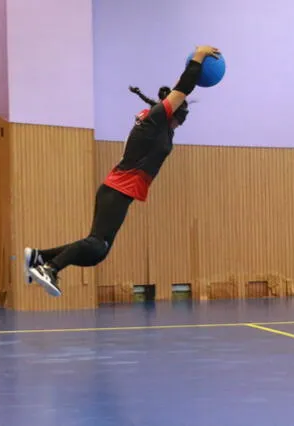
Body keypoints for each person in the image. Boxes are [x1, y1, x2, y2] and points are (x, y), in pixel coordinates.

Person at [24, 45, 221, 297]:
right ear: (174, 114)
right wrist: (198, 56)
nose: (179, 126)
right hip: (117, 189)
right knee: (96, 243)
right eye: (180, 120)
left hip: (118, 191)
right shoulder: (157, 119)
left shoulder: (156, 120)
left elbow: (176, 91)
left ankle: (39, 257)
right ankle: (49, 267)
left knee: (98, 253)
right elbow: (183, 88)